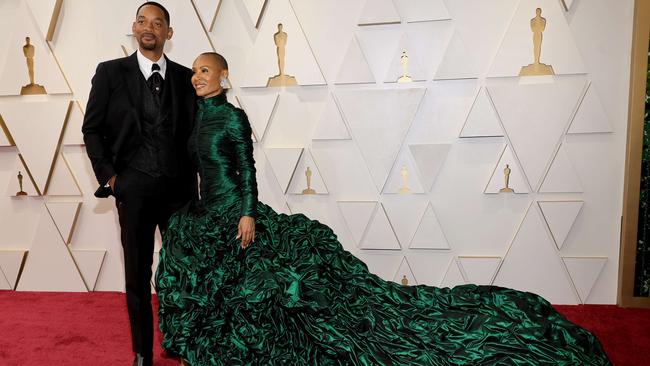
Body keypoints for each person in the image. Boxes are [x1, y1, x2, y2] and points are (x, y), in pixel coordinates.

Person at [156, 53, 611, 366]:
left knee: (280, 291)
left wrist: (248, 213)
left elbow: (247, 169)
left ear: (224, 77)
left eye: (206, 70)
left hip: (239, 215)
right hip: (206, 217)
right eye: (194, 71)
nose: (197, 77)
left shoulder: (233, 117)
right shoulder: (197, 119)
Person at [81, 2, 197, 365]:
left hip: (179, 194)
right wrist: (112, 179)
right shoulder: (110, 73)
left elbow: (194, 136)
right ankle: (142, 352)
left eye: (158, 23)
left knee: (184, 273)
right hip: (133, 190)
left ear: (168, 33)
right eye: (143, 21)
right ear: (134, 27)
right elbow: (92, 128)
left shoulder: (184, 78)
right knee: (136, 274)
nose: (150, 27)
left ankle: (181, 344)